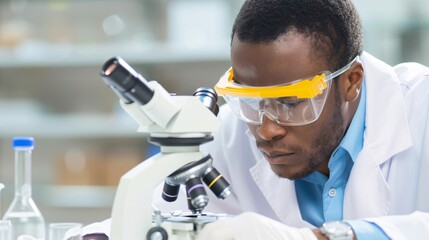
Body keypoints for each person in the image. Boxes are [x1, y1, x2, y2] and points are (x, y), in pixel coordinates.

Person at [184, 0, 429, 239]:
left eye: (290, 103)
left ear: (351, 81)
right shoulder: (227, 136)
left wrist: (326, 237)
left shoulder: (422, 109)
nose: (266, 130)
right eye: (250, 100)